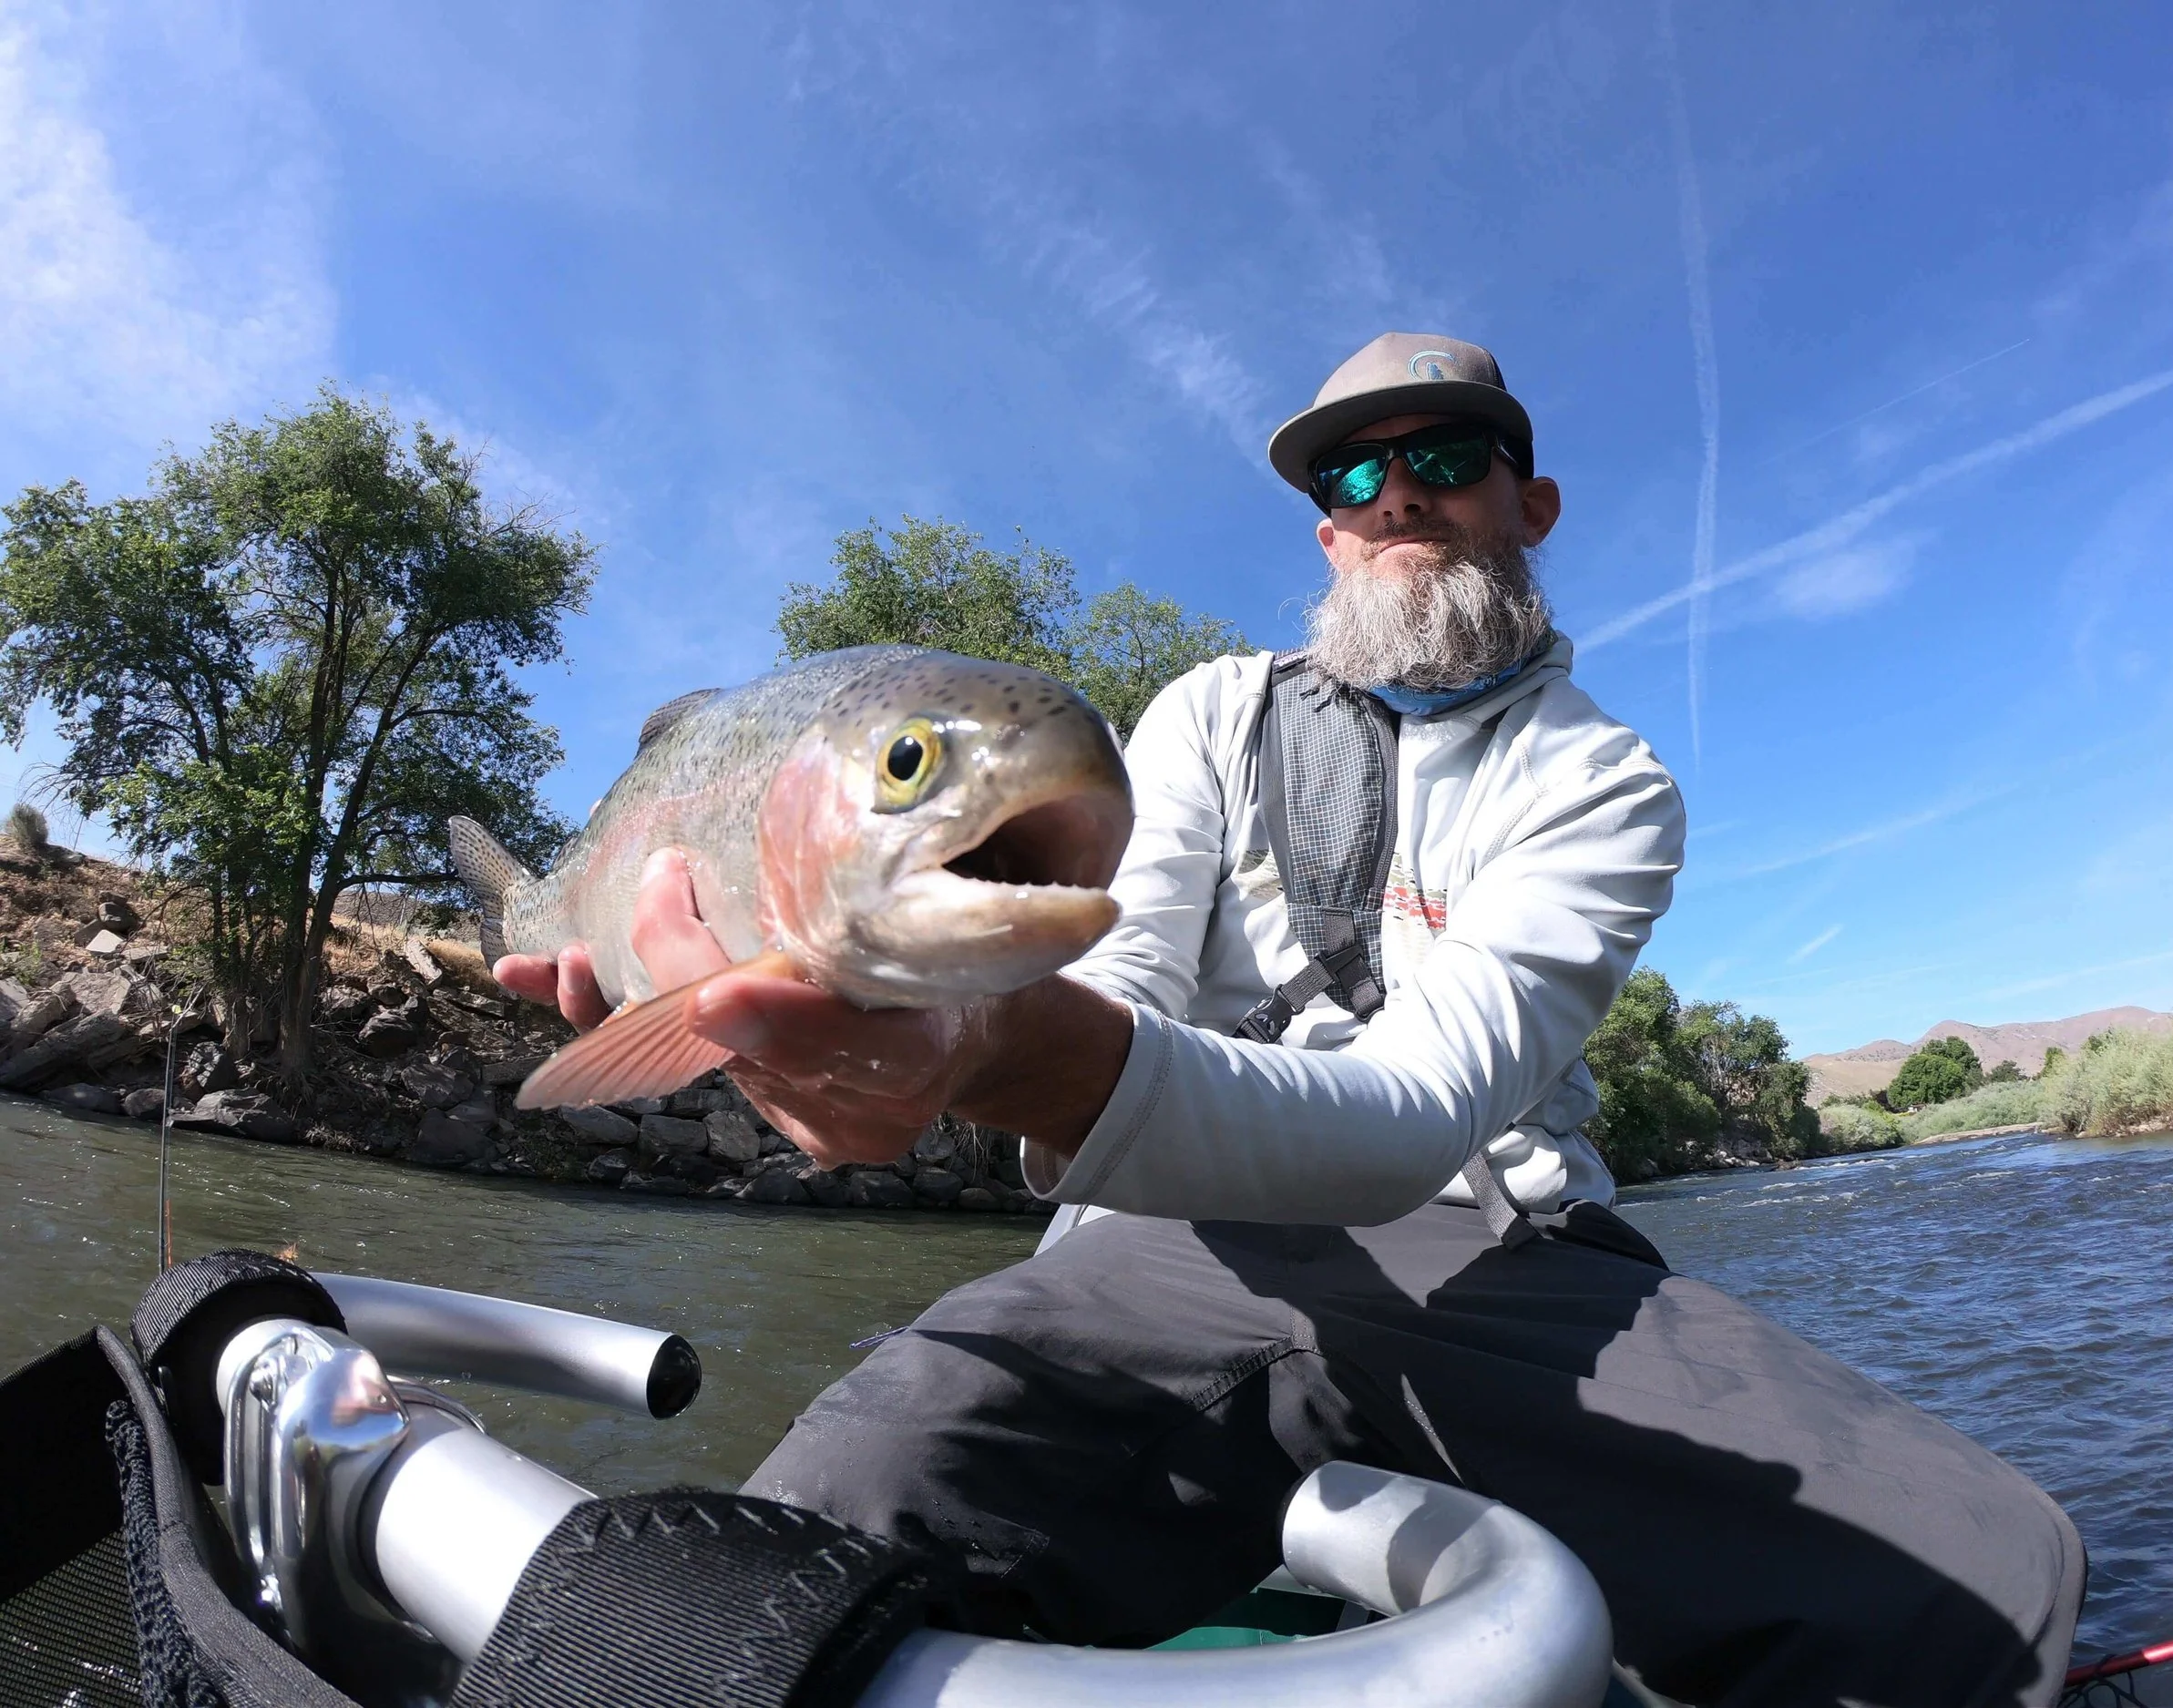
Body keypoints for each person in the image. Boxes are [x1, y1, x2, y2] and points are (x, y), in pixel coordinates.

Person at [497, 333, 2085, 1707]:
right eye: (1352, 478)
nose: (1398, 496)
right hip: (1151, 1255)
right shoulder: (1201, 714)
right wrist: (946, 1024)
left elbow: (1421, 1105)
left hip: (1497, 1259)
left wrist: (998, 1053)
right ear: (1326, 536)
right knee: (791, 1552)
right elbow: (1112, 981)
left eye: (1447, 457)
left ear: (1527, 507)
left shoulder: (1605, 784)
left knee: (1983, 1569)